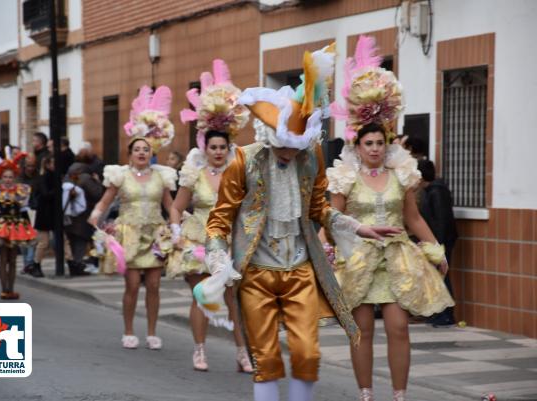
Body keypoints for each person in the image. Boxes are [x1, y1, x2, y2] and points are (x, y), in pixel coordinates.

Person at [204, 44, 398, 401]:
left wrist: (358, 228)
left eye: (295, 148)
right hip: (256, 272)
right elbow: (219, 221)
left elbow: (319, 209)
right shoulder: (242, 162)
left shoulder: (311, 159)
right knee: (266, 358)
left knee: (308, 354)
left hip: (300, 269)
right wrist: (218, 262)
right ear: (269, 136)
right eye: (284, 148)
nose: (289, 155)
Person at [327, 35, 454, 401]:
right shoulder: (345, 177)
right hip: (358, 259)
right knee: (361, 329)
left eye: (380, 143)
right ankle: (366, 393)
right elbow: (331, 217)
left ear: (387, 144)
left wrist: (435, 250)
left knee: (399, 328)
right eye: (368, 144)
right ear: (357, 146)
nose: (375, 149)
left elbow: (413, 218)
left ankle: (399, 394)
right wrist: (325, 248)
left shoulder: (402, 175)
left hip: (396, 259)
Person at [169, 59, 252, 372]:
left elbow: (245, 209)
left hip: (230, 240)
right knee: (202, 296)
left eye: (222, 147)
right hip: (200, 238)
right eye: (213, 147)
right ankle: (200, 351)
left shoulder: (237, 174)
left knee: (233, 300)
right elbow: (177, 207)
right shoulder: (195, 174)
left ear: (228, 147)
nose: (217, 151)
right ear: (205, 147)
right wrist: (177, 233)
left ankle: (243, 353)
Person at [88, 85, 177, 350]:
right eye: (137, 149)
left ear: (151, 153)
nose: (141, 153)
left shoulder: (162, 176)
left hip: (155, 234)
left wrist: (178, 227)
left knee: (153, 285)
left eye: (146, 150)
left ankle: (151, 332)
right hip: (129, 233)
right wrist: (95, 218)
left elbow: (170, 205)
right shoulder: (120, 175)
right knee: (133, 285)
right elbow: (105, 201)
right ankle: (128, 330)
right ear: (130, 153)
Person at [0, 152, 37, 299]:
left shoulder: (21, 191)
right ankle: (4, 289)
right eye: (5, 177)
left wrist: (29, 230)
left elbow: (24, 211)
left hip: (17, 225)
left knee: (13, 258)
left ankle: (11, 288)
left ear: (14, 177)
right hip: (1, 226)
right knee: (3, 257)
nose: (8, 180)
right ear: (0, 177)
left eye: (10, 177)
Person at [417, 159, 457, 327]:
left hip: (441, 242)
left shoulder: (437, 192)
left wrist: (437, 246)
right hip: (434, 242)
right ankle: (438, 313)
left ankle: (447, 315)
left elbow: (441, 221)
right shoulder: (428, 191)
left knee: (443, 276)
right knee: (435, 277)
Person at [64, 162, 103, 269]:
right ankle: (77, 264)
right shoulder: (86, 178)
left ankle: (73, 264)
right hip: (83, 215)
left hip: (69, 215)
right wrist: (97, 181)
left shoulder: (67, 177)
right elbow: (98, 194)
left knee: (72, 240)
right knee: (80, 240)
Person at [18, 153, 39, 273]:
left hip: (34, 210)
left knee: (32, 237)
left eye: (32, 166)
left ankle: (29, 263)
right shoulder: (19, 179)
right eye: (28, 166)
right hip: (22, 211)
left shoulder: (37, 178)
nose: (30, 168)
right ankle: (26, 262)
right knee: (22, 239)